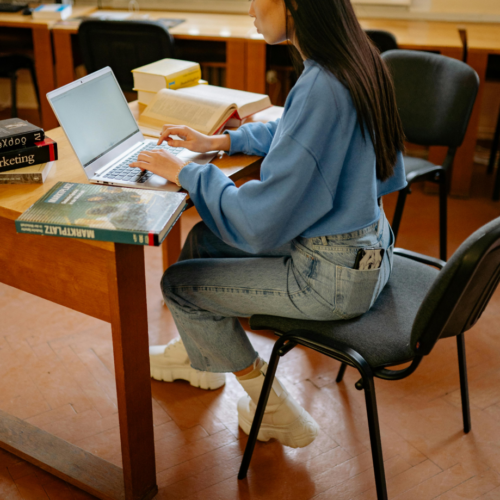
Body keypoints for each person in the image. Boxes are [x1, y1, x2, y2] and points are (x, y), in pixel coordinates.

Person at [130, 0, 406, 449]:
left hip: (331, 278)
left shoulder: (322, 84)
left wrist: (186, 171)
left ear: (294, 6)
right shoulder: (354, 59)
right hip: (370, 250)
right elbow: (296, 132)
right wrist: (224, 140)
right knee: (203, 239)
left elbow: (258, 223)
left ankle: (274, 409)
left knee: (180, 285)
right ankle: (194, 352)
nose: (250, 10)